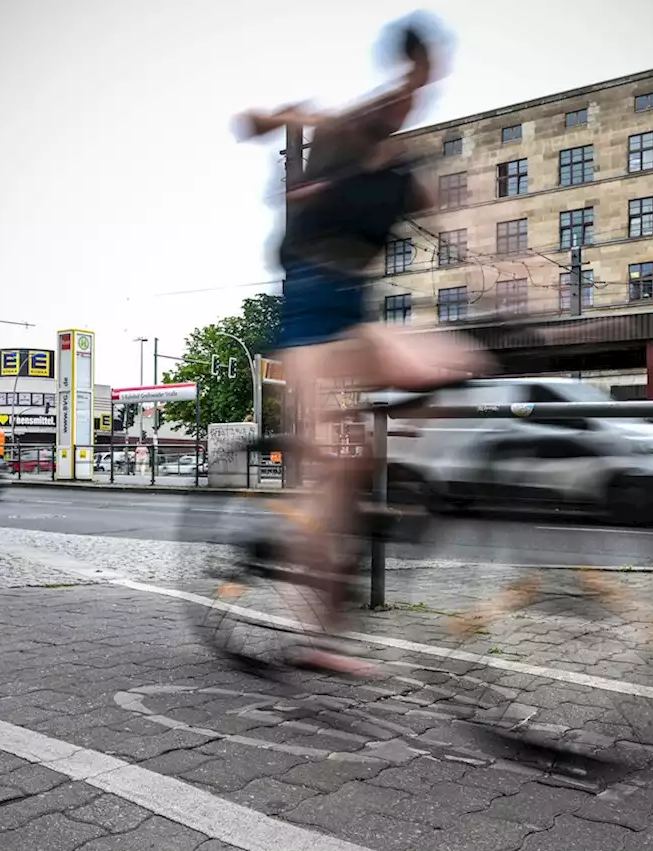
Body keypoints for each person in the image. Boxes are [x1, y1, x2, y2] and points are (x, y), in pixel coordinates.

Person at [237, 14, 493, 673]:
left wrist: (521, 289)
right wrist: (267, 120)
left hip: (355, 313)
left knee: (458, 362)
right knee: (333, 471)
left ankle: (390, 476)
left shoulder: (407, 176)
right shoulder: (344, 131)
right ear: (393, 85)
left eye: (424, 88)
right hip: (310, 312)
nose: (412, 99)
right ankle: (316, 635)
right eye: (408, 84)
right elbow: (281, 116)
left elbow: (465, 232)